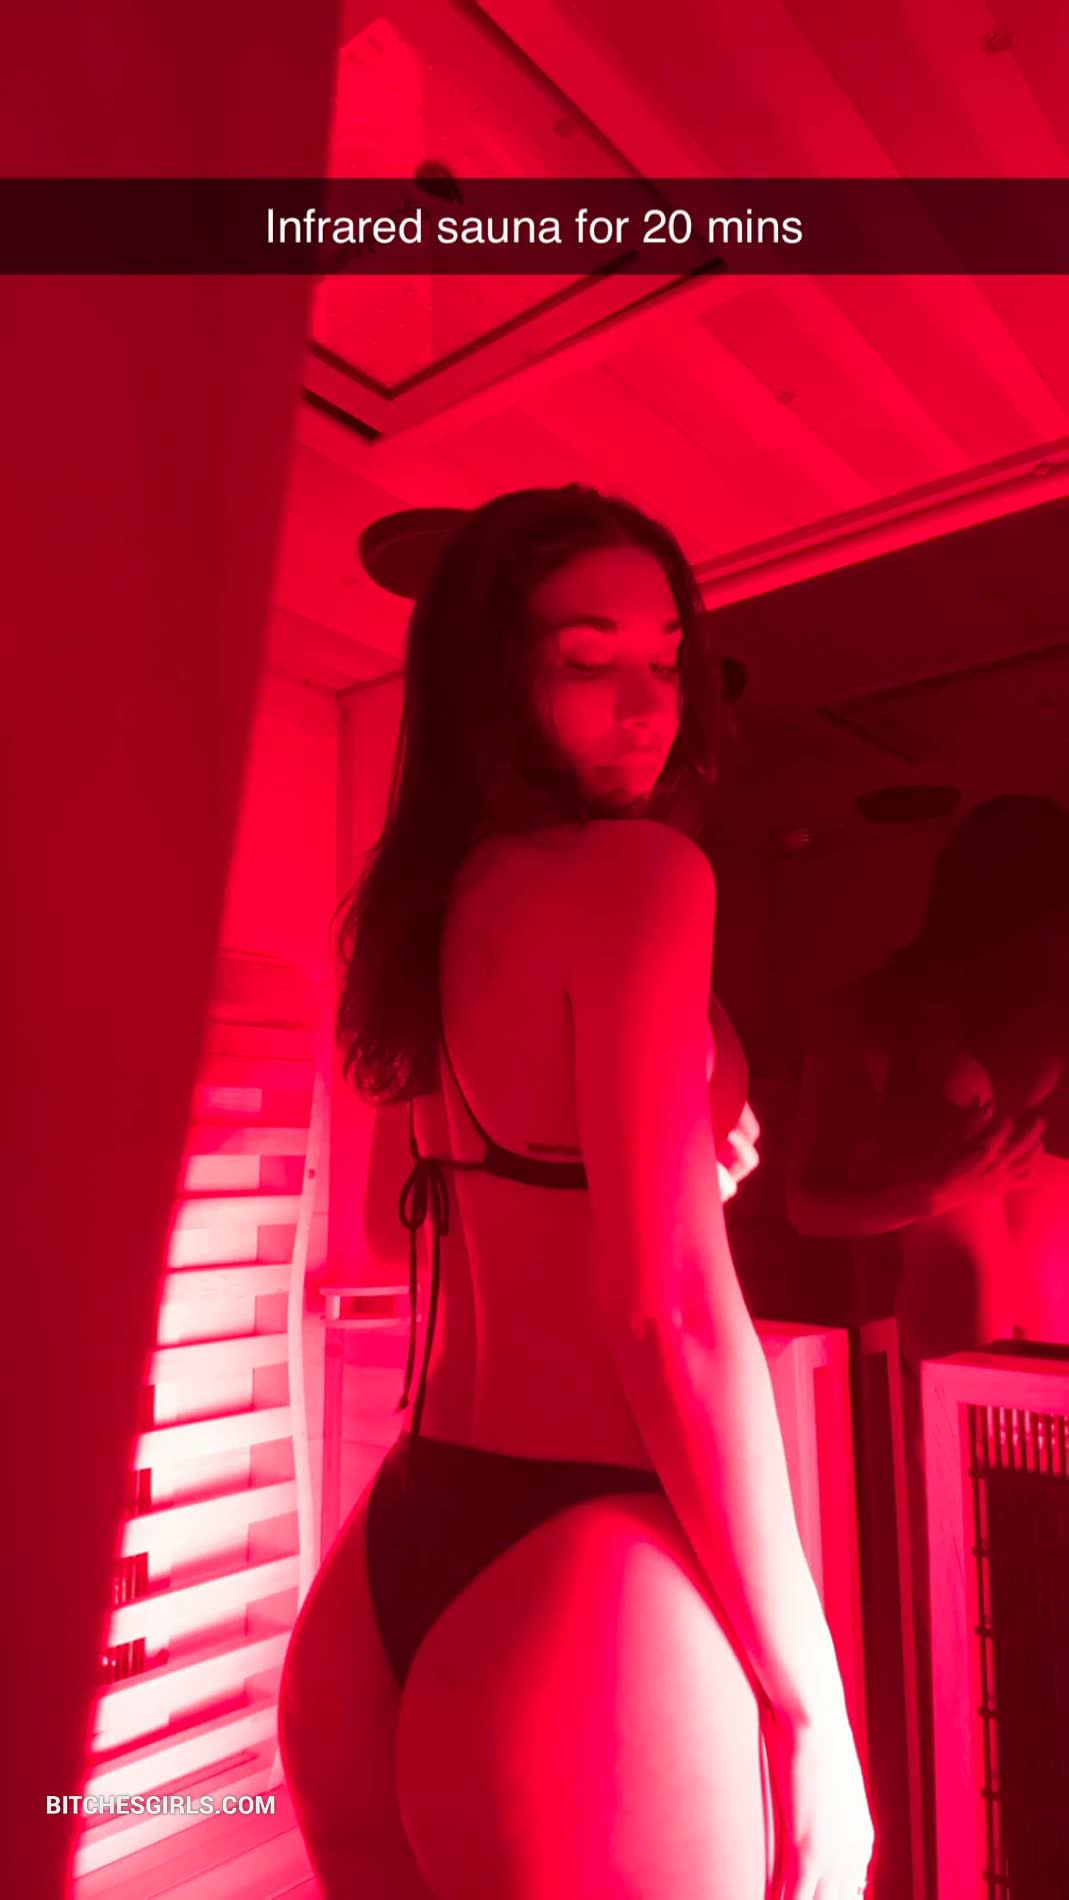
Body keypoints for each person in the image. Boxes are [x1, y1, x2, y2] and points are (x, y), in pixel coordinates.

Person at [279, 484, 873, 1899]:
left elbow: (395, 1225)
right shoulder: (643, 879)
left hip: (389, 1577)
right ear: (493, 677)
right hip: (581, 1582)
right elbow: (667, 1320)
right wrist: (815, 1708)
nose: (649, 705)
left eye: (666, 658)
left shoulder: (433, 907)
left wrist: (667, 1159)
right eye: (586, 659)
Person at [786, 792, 1069, 1890]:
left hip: (1046, 1371)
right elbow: (806, 1201)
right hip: (952, 1385)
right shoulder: (871, 1013)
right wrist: (932, 1188)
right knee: (967, 1658)